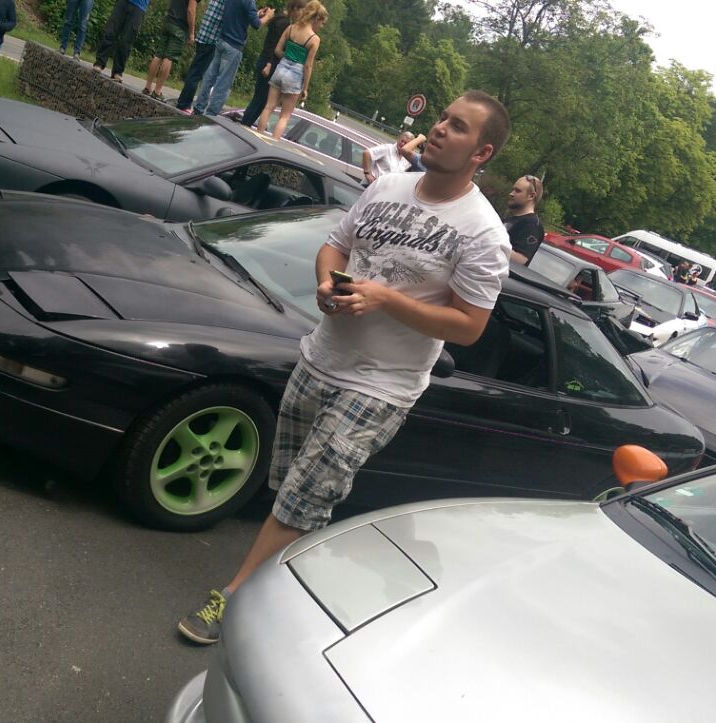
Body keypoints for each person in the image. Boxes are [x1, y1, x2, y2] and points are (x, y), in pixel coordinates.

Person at [177, 91, 513, 645]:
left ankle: (233, 601)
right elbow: (334, 248)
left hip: (381, 385)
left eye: (457, 127)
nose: (438, 129)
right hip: (320, 358)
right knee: (292, 490)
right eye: (441, 118)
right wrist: (324, 285)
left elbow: (469, 326)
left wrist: (385, 299)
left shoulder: (483, 233)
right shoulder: (388, 187)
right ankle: (301, 577)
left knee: (303, 497)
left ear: (482, 153)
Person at [255, 0, 326, 139]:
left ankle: (258, 135)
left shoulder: (291, 28)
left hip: (281, 68)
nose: (321, 26)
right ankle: (273, 142)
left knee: (268, 107)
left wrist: (288, 58)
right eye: (322, 23)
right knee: (285, 115)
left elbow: (277, 50)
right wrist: (305, 88)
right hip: (296, 74)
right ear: (316, 19)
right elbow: (308, 65)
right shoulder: (314, 39)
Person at [192, 0, 273, 116]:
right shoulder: (249, 1)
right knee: (223, 82)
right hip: (234, 45)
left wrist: (257, 14)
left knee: (209, 76)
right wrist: (268, 16)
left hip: (221, 39)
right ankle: (211, 114)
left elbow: (238, 14)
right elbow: (256, 24)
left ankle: (198, 108)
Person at [240, 0, 302, 126]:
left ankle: (246, 123)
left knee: (261, 100)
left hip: (267, 60)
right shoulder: (284, 23)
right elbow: (272, 45)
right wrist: (269, 63)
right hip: (270, 63)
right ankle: (245, 124)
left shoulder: (280, 19)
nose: (301, 15)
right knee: (260, 99)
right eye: (301, 11)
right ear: (295, 8)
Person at [175, 0, 227, 114]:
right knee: (196, 74)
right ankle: (184, 104)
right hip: (210, 40)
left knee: (195, 71)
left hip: (203, 36)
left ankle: (183, 102)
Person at [143, 0, 198, 100]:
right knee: (169, 57)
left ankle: (147, 86)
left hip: (168, 21)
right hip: (179, 26)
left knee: (158, 55)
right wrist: (191, 33)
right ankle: (157, 91)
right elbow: (191, 10)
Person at [92, 0, 150, 82]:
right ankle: (99, 63)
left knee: (126, 41)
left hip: (139, 6)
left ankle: (118, 72)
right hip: (122, 2)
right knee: (110, 32)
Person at [503, 174, 543, 265]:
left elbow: (520, 259)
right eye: (513, 189)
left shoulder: (532, 225)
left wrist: (491, 245)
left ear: (531, 196)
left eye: (517, 191)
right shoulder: (509, 219)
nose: (511, 193)